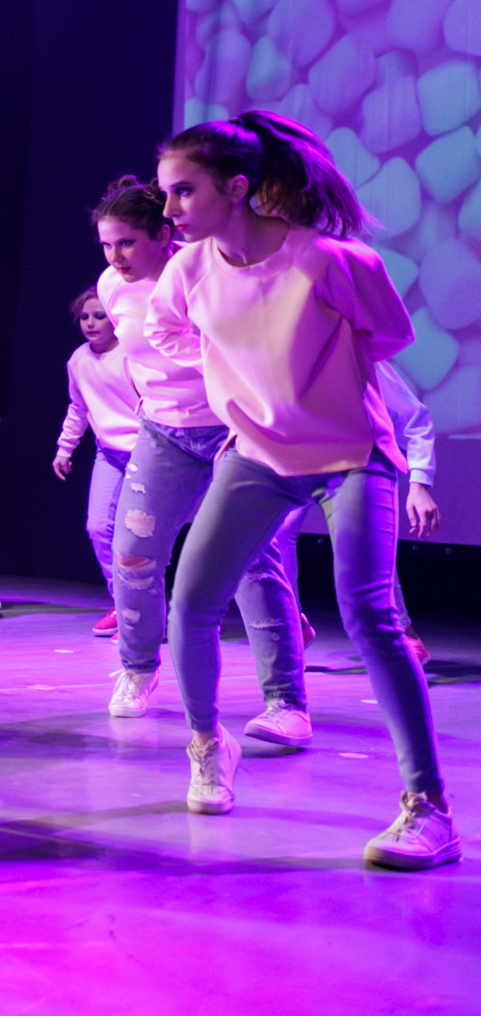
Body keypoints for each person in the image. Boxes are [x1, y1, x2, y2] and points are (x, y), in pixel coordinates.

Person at [149, 110, 457, 870]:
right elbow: (168, 333)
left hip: (351, 453)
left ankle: (429, 808)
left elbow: (389, 338)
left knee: (372, 615)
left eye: (184, 191)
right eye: (166, 193)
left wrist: (312, 381)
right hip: (256, 455)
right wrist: (237, 393)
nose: (169, 209)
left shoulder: (329, 260)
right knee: (190, 602)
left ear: (236, 187)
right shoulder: (187, 272)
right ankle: (208, 744)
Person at [96, 176, 308, 743]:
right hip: (163, 435)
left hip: (228, 432)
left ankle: (287, 702)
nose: (116, 257)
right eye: (107, 245)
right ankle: (138, 668)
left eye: (127, 243)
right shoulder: (112, 287)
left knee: (252, 562)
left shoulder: (207, 273)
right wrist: (146, 399)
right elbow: (136, 354)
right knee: (133, 555)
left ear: (162, 236)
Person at [274, 362, 440, 664]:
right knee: (277, 533)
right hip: (301, 457)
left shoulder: (356, 353)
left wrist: (419, 483)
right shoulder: (279, 355)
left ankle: (403, 629)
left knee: (368, 542)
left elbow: (416, 418)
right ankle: (293, 625)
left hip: (357, 461)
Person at [52, 287, 140, 624]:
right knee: (98, 527)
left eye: (98, 316)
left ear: (114, 318)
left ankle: (143, 612)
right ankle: (123, 605)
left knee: (137, 536)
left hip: (144, 453)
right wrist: (65, 448)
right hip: (109, 454)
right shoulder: (79, 360)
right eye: (84, 317)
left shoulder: (131, 354)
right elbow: (79, 407)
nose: (90, 323)